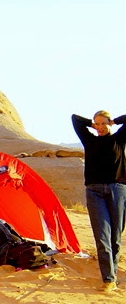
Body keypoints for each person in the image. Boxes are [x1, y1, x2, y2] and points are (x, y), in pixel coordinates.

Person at [72, 111, 126, 293]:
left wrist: (114, 121)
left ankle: (114, 273)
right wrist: (92, 123)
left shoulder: (119, 139)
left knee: (115, 237)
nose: (100, 127)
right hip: (94, 192)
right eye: (97, 124)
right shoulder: (89, 140)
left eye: (103, 124)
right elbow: (75, 119)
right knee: (102, 237)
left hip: (117, 190)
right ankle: (109, 279)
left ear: (109, 124)